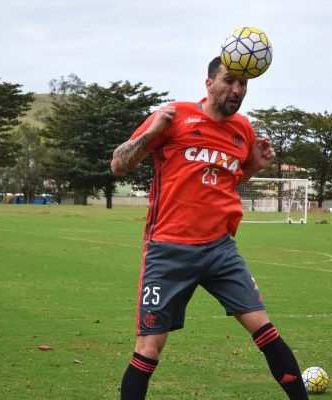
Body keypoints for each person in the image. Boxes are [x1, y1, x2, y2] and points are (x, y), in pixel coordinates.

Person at [111, 56, 309, 400]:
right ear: (209, 84)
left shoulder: (243, 131)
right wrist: (154, 132)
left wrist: (256, 167)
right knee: (149, 346)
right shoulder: (174, 116)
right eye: (229, 81)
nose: (237, 89)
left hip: (220, 249)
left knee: (265, 330)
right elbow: (119, 164)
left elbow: (228, 183)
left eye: (243, 84)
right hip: (168, 249)